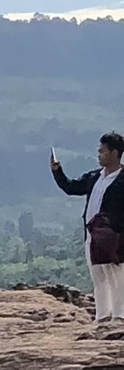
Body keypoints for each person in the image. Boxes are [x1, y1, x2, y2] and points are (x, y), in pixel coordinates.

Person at [53, 135, 124, 329]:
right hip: (92, 236)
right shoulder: (94, 177)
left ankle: (120, 316)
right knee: (98, 275)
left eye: (102, 151)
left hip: (114, 237)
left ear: (115, 153)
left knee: (116, 276)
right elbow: (71, 187)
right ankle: (102, 317)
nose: (99, 155)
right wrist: (58, 172)